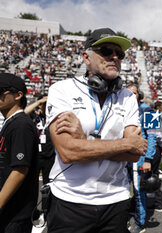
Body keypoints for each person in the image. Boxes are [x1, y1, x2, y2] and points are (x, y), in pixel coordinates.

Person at [45, 28, 148, 233]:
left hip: (116, 200)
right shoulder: (62, 90)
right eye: (107, 51)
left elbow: (135, 154)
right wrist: (124, 143)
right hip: (70, 201)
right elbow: (68, 152)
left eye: (119, 54)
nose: (114, 57)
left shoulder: (127, 96)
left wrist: (84, 140)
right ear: (86, 57)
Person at [0, 73, 39, 233]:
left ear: (18, 95)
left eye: (1, 91)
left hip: (14, 212)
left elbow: (19, 170)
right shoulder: (11, 123)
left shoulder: (21, 125)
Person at [127, 84, 157, 233]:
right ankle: (123, 219)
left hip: (138, 158)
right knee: (122, 191)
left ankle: (140, 223)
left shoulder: (148, 110)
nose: (131, 96)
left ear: (139, 95)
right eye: (128, 93)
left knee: (139, 192)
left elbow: (152, 136)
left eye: (134, 93)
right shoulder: (120, 110)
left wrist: (148, 159)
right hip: (122, 158)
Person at [24, 94, 55, 184]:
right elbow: (24, 112)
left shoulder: (53, 117)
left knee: (48, 184)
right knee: (31, 183)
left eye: (47, 104)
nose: (45, 106)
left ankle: (45, 199)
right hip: (35, 155)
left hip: (50, 156)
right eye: (43, 104)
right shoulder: (34, 117)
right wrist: (38, 102)